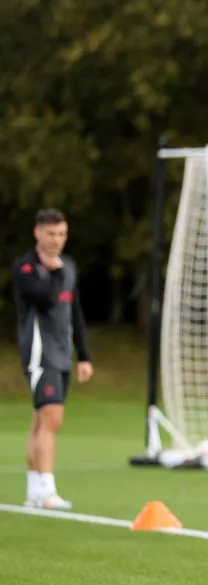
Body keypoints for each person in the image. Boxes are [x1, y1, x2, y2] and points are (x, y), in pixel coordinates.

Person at [13, 208, 94, 510]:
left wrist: (83, 354)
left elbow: (75, 311)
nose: (56, 240)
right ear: (37, 233)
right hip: (39, 352)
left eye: (61, 234)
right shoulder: (26, 268)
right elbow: (45, 297)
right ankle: (47, 490)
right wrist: (56, 273)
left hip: (62, 353)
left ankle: (34, 490)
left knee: (41, 420)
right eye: (51, 234)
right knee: (51, 417)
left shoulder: (68, 266)